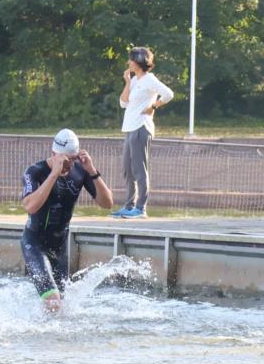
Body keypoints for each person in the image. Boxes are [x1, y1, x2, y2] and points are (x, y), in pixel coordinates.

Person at [21, 129, 114, 312]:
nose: (69, 165)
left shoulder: (80, 171)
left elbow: (107, 203)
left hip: (60, 247)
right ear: (54, 153)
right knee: (53, 302)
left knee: (60, 307)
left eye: (73, 159)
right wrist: (53, 174)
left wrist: (92, 171)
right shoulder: (35, 172)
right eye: (65, 159)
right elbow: (30, 206)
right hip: (35, 244)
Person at [112, 46, 173, 219]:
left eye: (131, 59)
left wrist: (153, 106)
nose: (129, 62)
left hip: (141, 128)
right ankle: (129, 206)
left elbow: (168, 94)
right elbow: (123, 103)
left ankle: (141, 208)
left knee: (139, 169)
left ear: (139, 61)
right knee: (127, 169)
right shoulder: (136, 81)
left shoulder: (149, 79)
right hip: (129, 128)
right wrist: (127, 82)